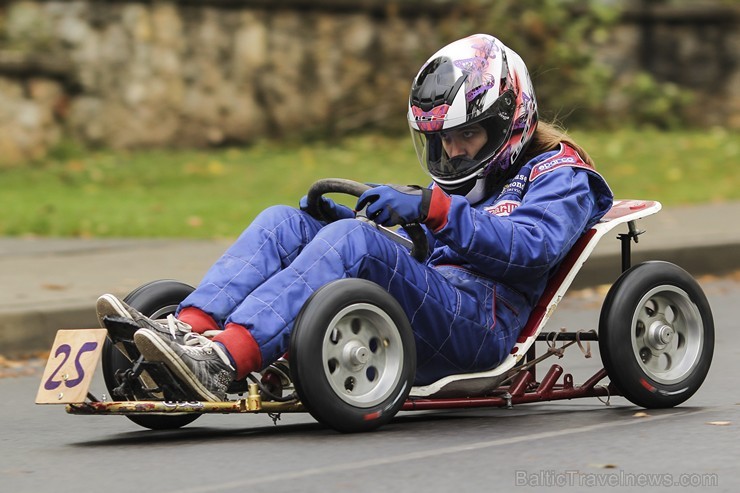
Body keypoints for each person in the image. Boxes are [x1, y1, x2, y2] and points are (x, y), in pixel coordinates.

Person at [97, 34, 613, 402]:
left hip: (481, 324)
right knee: (286, 222)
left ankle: (225, 360)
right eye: (442, 141)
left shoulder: (560, 174)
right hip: (437, 297)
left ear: (509, 119)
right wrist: (351, 220)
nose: (453, 152)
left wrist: (434, 210)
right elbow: (428, 252)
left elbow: (533, 248)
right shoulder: (468, 174)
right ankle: (186, 331)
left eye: (466, 136)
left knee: (355, 243)